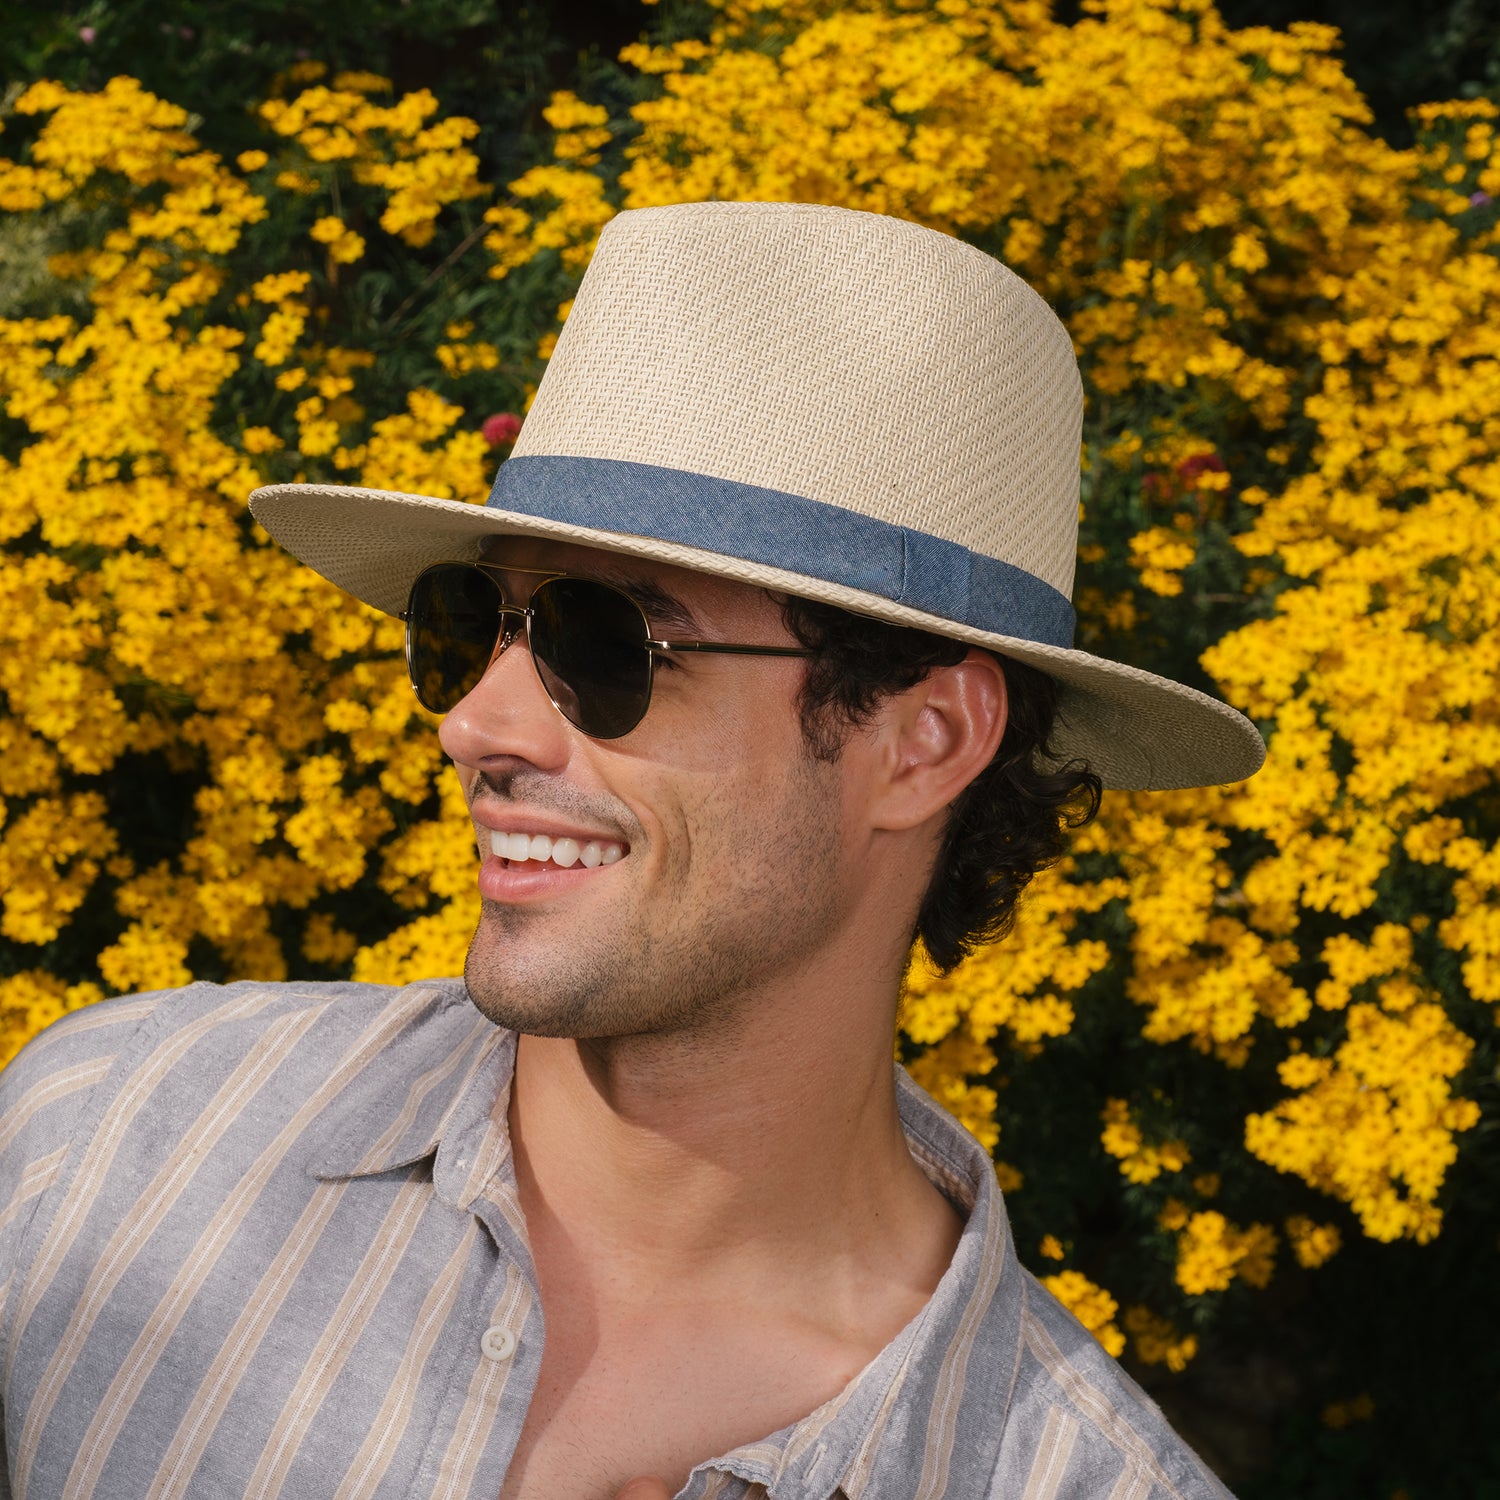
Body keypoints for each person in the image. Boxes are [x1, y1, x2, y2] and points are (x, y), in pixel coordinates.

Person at [0, 201, 1263, 1500]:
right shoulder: (105, 1149)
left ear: (925, 740)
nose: (472, 723)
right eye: (469, 621)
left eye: (606, 645)